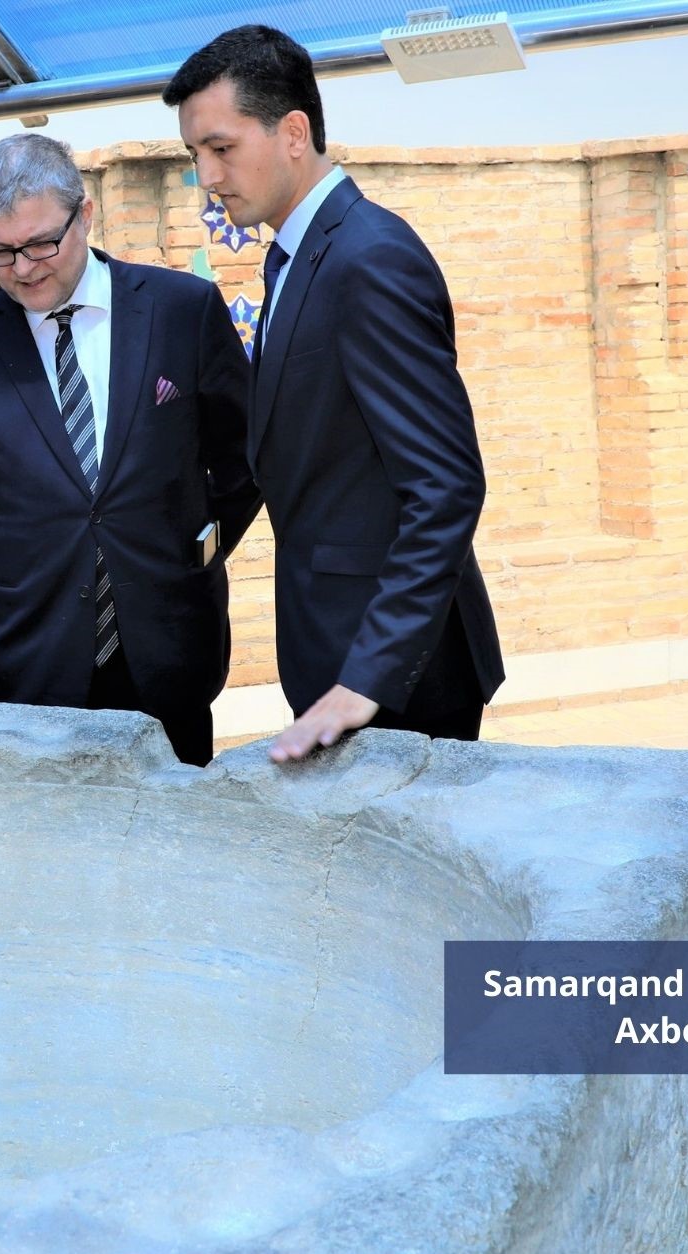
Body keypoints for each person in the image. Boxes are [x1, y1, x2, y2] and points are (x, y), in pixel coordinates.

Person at [0, 133, 259, 767]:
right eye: (0, 251)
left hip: (172, 646)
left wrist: (194, 552)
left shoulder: (182, 310)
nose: (22, 268)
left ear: (85, 214)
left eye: (41, 243)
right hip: (28, 663)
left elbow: (244, 458)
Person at [164, 25, 505, 761]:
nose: (207, 176)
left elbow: (445, 485)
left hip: (400, 680)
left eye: (221, 148)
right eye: (195, 155)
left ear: (294, 133)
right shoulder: (300, 254)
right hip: (336, 655)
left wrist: (369, 676)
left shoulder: (369, 258)